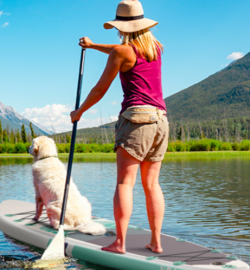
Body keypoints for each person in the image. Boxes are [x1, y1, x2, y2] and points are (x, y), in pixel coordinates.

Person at [70, 0, 168, 254]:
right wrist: (92, 46)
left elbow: (100, 89)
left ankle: (120, 243)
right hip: (160, 120)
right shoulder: (155, 48)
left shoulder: (122, 52)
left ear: (121, 26)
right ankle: (156, 243)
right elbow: (120, 50)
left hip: (136, 120)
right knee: (152, 185)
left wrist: (79, 112)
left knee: (125, 183)